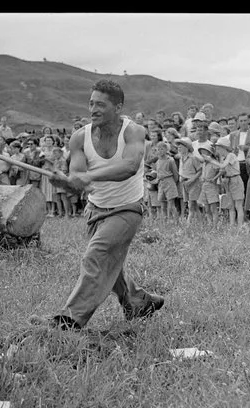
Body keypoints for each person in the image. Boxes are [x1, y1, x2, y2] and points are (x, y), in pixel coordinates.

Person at [32, 79, 163, 330]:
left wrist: (89, 177)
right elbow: (78, 177)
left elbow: (130, 166)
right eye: (91, 103)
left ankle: (69, 321)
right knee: (111, 265)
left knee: (97, 256)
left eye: (101, 104)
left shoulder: (133, 131)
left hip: (127, 208)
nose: (93, 109)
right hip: (95, 210)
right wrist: (66, 182)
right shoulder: (80, 137)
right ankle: (138, 302)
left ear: (118, 107)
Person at [214, 138, 245, 226]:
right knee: (230, 205)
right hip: (228, 181)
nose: (217, 150)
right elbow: (222, 169)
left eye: (218, 148)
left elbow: (223, 166)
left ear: (223, 147)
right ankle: (231, 226)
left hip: (235, 180)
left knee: (238, 205)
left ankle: (240, 226)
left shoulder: (231, 155)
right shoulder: (223, 158)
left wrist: (211, 160)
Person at [229, 112, 250, 197]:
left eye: (245, 120)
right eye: (241, 121)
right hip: (237, 164)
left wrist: (247, 148)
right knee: (237, 189)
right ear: (238, 122)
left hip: (248, 164)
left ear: (248, 121)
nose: (243, 123)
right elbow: (231, 150)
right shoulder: (233, 135)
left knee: (249, 188)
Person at [175, 137, 201, 223]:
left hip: (193, 182)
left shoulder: (193, 158)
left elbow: (200, 170)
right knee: (193, 204)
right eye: (178, 147)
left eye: (181, 146)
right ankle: (201, 221)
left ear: (187, 148)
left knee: (191, 204)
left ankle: (188, 222)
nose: (179, 148)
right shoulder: (181, 158)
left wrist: (192, 180)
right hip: (184, 183)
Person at [196, 142, 222, 227]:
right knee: (206, 208)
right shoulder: (204, 163)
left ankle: (215, 226)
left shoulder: (213, 162)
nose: (203, 154)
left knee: (213, 207)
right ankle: (210, 224)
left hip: (211, 186)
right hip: (204, 185)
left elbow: (222, 169)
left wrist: (214, 178)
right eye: (201, 152)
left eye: (205, 152)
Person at [153, 141, 179, 220]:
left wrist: (174, 182)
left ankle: (175, 221)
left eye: (162, 149)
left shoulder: (170, 160)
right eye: (158, 149)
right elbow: (157, 173)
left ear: (166, 150)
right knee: (163, 204)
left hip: (169, 182)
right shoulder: (157, 161)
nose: (160, 151)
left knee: (171, 204)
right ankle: (165, 221)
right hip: (161, 183)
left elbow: (175, 173)